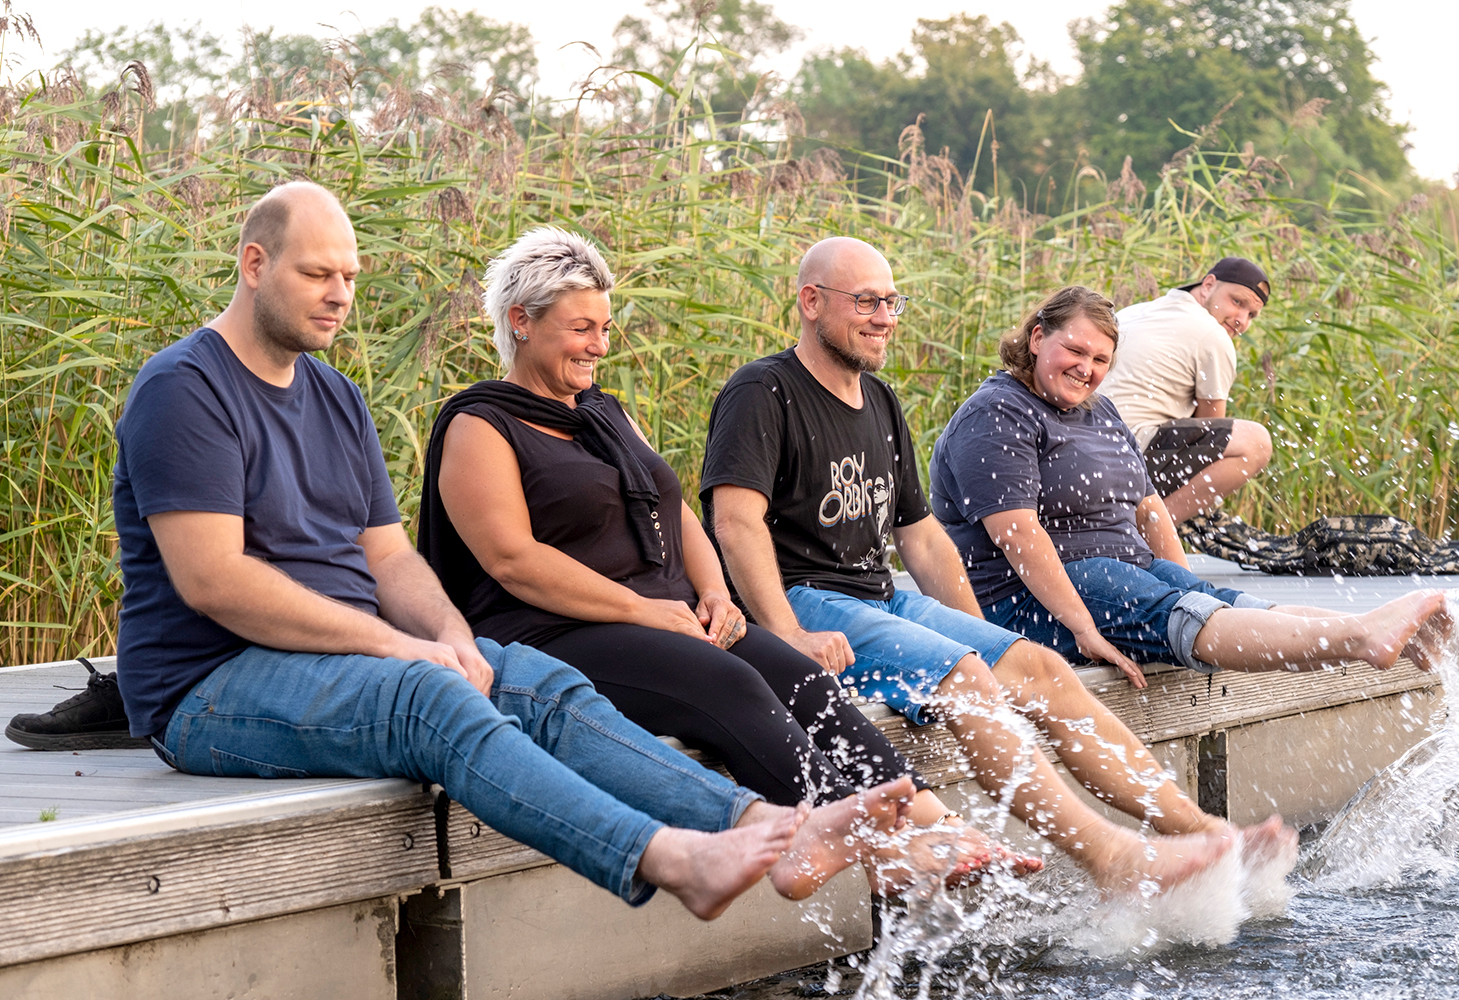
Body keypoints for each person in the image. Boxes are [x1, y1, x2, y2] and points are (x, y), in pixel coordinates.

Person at [111, 182, 911, 921]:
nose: (342, 296)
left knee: (532, 679)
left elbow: (389, 560)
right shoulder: (186, 387)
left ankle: (762, 824)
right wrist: (397, 645)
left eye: (350, 276)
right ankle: (670, 858)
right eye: (320, 274)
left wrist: (450, 636)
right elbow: (215, 581)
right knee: (429, 699)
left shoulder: (334, 394)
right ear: (255, 264)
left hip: (341, 659)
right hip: (211, 686)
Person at [417, 226, 1035, 892]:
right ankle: (868, 846)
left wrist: (713, 591)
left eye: (604, 326)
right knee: (732, 684)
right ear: (521, 321)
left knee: (802, 679)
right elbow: (513, 560)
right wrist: (646, 612)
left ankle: (927, 819)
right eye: (581, 329)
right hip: (554, 630)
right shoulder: (478, 424)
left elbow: (674, 508)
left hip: (662, 614)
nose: (600, 344)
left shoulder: (604, 413)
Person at [700, 237, 1294, 899]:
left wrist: (980, 638)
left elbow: (921, 540)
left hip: (878, 597)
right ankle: (1111, 860)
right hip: (805, 598)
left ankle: (1201, 833)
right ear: (811, 302)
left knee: (1037, 666)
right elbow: (735, 521)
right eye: (865, 301)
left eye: (891, 302)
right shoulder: (765, 390)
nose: (883, 317)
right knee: (966, 680)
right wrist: (785, 631)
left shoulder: (880, 402)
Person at [928, 285, 1452, 681]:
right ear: (1037, 337)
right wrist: (1084, 629)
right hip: (1031, 600)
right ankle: (1362, 637)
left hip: (1117, 575)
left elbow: (1150, 511)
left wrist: (1186, 584)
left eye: (1100, 360)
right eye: (1075, 351)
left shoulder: (1101, 412)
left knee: (1219, 600)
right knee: (1181, 609)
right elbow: (1018, 533)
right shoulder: (998, 412)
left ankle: (1386, 636)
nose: (1086, 369)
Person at [1101, 257, 1276, 533]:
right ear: (1208, 285)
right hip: (1128, 455)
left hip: (1089, 450)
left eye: (1252, 315)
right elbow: (1212, 431)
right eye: (1238, 302)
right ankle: (1149, 533)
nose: (1242, 320)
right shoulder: (1212, 334)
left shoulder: (1133, 312)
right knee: (1256, 443)